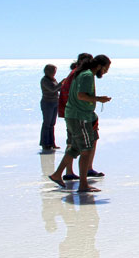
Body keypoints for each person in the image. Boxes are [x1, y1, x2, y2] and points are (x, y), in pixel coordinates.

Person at [48, 55, 112, 192]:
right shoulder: (87, 75)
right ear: (100, 65)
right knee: (87, 150)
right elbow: (81, 96)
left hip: (75, 115)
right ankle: (83, 185)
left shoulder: (82, 73)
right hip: (80, 117)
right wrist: (99, 99)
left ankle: (57, 174)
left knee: (76, 147)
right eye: (106, 68)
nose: (106, 71)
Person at [59, 53, 92, 180]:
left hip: (70, 113)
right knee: (78, 144)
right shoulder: (79, 74)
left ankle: (68, 171)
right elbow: (76, 95)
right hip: (76, 114)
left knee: (74, 143)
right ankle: (69, 171)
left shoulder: (75, 73)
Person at [40, 64, 63, 151]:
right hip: (47, 103)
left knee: (52, 124)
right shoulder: (44, 80)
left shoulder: (53, 79)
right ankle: (45, 143)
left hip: (54, 102)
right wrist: (61, 83)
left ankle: (52, 143)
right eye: (53, 71)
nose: (54, 73)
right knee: (47, 124)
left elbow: (58, 89)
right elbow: (53, 89)